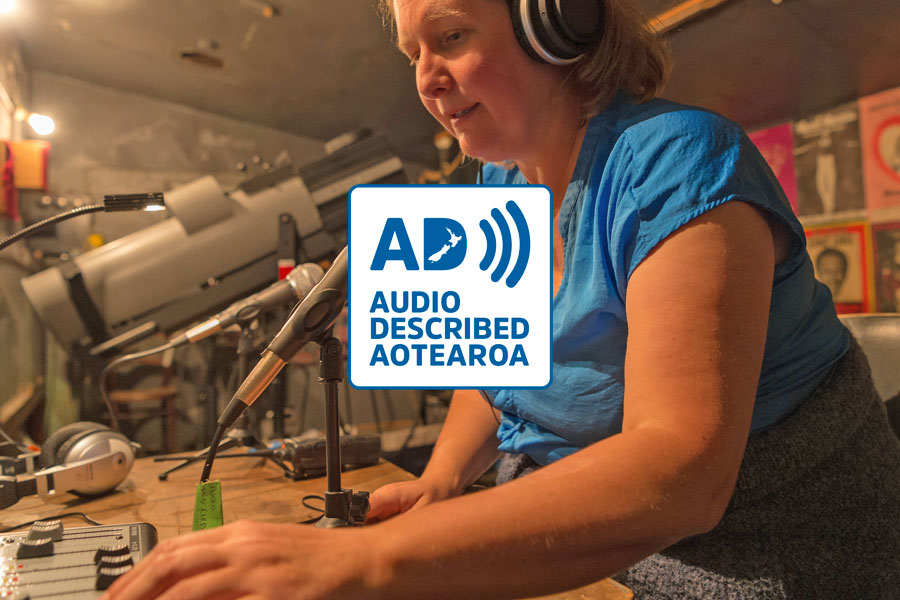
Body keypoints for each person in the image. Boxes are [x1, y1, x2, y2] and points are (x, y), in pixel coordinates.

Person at [103, 1, 900, 598]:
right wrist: (443, 480)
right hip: (591, 544)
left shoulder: (677, 159)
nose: (424, 78)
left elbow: (681, 473)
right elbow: (493, 364)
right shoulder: (499, 180)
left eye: (450, 38)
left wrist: (362, 559)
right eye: (413, 52)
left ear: (558, 22)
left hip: (761, 558)